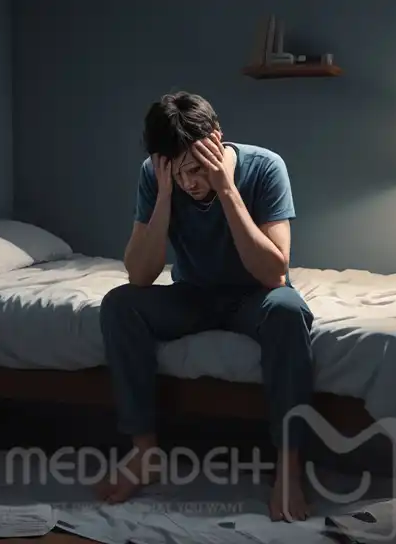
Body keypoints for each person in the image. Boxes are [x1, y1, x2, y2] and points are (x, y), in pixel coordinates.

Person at [97, 91, 315, 521]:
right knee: (120, 304)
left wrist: (226, 188)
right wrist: (163, 195)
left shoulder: (265, 167)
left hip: (255, 295)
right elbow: (139, 276)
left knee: (289, 310)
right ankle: (144, 452)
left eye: (196, 169)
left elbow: (274, 274)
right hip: (193, 295)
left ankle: (289, 468)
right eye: (178, 173)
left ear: (216, 138)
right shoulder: (157, 174)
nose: (190, 183)